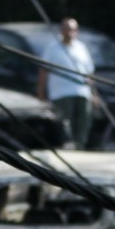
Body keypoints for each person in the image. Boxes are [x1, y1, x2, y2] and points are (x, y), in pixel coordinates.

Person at [36, 18, 98, 148]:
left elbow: (89, 72)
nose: (71, 32)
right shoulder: (53, 47)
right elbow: (44, 71)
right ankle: (67, 145)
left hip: (82, 92)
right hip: (61, 92)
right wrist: (41, 92)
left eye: (73, 29)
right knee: (64, 122)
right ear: (62, 30)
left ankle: (80, 146)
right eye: (68, 29)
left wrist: (93, 93)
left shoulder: (81, 47)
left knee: (83, 121)